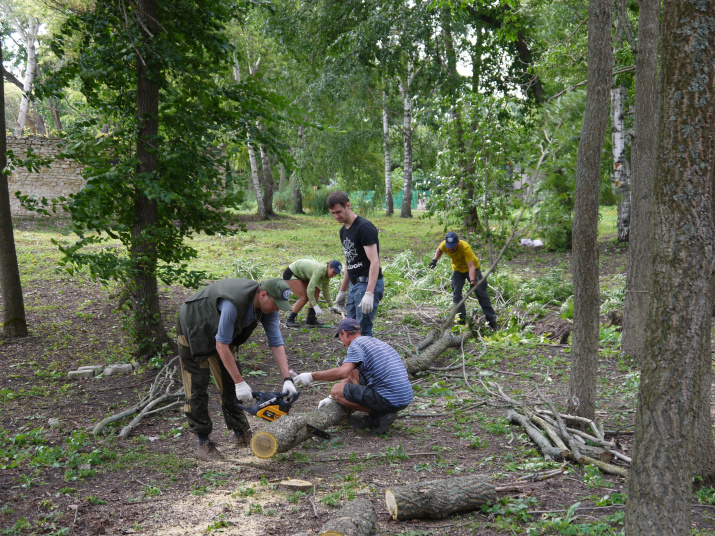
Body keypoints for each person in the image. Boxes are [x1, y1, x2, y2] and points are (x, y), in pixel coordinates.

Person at [176, 277, 298, 460]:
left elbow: (276, 342)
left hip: (223, 334)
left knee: (229, 381)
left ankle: (240, 432)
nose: (277, 309)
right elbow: (221, 346)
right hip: (195, 326)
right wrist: (240, 383)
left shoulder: (269, 307)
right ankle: (203, 442)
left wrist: (287, 378)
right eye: (276, 304)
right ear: (263, 295)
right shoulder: (233, 303)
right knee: (197, 384)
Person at [292, 318, 413, 434]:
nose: (343, 345)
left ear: (344, 333)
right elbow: (350, 373)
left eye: (340, 339)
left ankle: (380, 415)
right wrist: (330, 398)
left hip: (389, 398)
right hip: (404, 397)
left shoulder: (356, 345)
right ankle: (383, 410)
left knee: (336, 390)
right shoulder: (374, 342)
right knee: (353, 370)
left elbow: (342, 372)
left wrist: (311, 376)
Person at [327, 191, 384, 337]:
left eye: (338, 212)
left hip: (366, 284)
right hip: (354, 285)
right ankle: (355, 359)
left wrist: (369, 293)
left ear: (348, 205)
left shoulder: (364, 227)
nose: (336, 216)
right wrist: (342, 291)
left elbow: (374, 261)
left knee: (363, 330)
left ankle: (366, 359)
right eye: (332, 213)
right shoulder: (343, 231)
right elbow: (349, 261)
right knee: (350, 329)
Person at [429, 232, 498, 330]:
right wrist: (434, 260)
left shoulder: (465, 248)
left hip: (472, 269)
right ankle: (461, 322)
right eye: (449, 247)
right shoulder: (445, 245)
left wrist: (473, 282)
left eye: (453, 246)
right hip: (457, 269)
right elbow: (439, 249)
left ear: (457, 242)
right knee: (457, 294)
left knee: (480, 293)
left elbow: (471, 266)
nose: (451, 249)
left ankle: (492, 322)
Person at [283, 259, 343, 328]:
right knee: (304, 297)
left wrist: (331, 305)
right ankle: (290, 319)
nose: (334, 275)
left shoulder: (327, 276)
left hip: (303, 275)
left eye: (336, 274)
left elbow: (325, 291)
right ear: (329, 267)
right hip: (291, 273)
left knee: (316, 291)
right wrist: (315, 305)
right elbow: (310, 290)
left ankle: (310, 318)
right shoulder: (319, 271)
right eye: (333, 272)